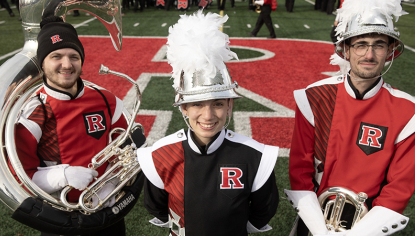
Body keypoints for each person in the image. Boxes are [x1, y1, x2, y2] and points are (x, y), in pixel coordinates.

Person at [138, 10, 279, 236]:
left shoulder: (255, 156)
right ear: (183, 107)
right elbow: (156, 207)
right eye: (197, 104)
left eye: (218, 104)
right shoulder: (161, 155)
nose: (208, 115)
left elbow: (263, 210)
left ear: (230, 105)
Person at [285, 0, 415, 235]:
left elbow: (398, 189)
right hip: (314, 219)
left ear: (390, 51)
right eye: (360, 45)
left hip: (371, 224)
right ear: (345, 49)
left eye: (379, 45)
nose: (369, 54)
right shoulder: (315, 96)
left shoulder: (409, 111)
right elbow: (299, 171)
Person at [14, 16, 137, 236]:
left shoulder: (106, 99)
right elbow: (22, 178)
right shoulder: (32, 113)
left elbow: (129, 149)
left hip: (108, 213)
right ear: (42, 62)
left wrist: (114, 180)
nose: (67, 64)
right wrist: (64, 175)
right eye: (56, 56)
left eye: (74, 56)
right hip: (60, 220)